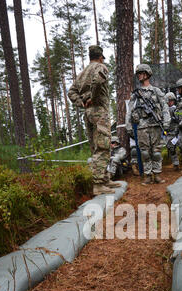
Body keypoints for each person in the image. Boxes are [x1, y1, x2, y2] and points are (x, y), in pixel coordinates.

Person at [68, 45, 120, 196]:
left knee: (96, 146)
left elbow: (71, 91)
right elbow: (97, 82)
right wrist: (92, 98)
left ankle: (104, 179)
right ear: (100, 57)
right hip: (99, 111)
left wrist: (81, 102)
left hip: (88, 113)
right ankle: (98, 184)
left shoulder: (83, 73)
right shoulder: (101, 67)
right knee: (103, 146)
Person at [125, 64, 171, 184]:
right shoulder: (135, 94)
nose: (139, 75)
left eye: (141, 73)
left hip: (156, 125)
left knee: (156, 152)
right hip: (142, 126)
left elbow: (165, 107)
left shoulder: (156, 91)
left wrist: (166, 122)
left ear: (146, 74)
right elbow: (129, 110)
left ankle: (157, 174)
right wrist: (128, 126)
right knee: (144, 152)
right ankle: (147, 175)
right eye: (138, 73)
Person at [164, 92, 179, 170]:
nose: (170, 102)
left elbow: (179, 120)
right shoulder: (164, 110)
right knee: (171, 148)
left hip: (176, 132)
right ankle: (176, 164)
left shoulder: (175, 109)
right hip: (168, 132)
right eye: (169, 100)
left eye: (172, 100)